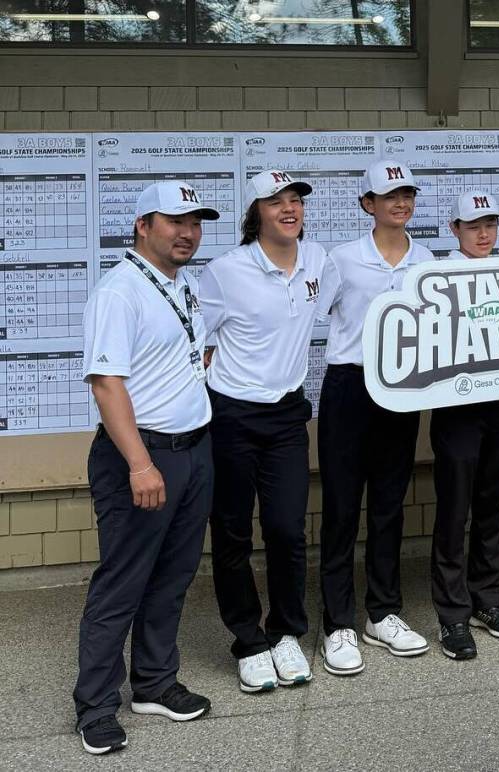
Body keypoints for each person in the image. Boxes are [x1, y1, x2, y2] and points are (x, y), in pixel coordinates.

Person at [74, 181, 220, 755]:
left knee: (173, 577)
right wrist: (139, 464)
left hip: (193, 450)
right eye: (175, 221)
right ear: (143, 225)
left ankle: (155, 683)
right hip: (142, 455)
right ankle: (95, 708)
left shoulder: (182, 286)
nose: (188, 233)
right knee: (123, 583)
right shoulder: (120, 290)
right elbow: (107, 384)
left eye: (196, 223)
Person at [200, 170, 324, 693]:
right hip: (232, 416)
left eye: (295, 200)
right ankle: (248, 640)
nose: (289, 209)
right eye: (275, 202)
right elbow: (197, 340)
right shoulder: (225, 271)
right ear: (255, 215)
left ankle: (285, 632)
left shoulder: (318, 260)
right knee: (232, 532)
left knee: (287, 530)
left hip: (287, 416)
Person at [316, 160, 434, 674]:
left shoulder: (425, 259)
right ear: (368, 204)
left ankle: (382, 613)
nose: (400, 202)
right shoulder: (341, 258)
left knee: (389, 505)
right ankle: (337, 622)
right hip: (349, 386)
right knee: (342, 507)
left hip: (400, 388)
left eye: (407, 194)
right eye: (389, 195)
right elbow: (312, 315)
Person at [429, 190, 499, 660]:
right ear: (455, 230)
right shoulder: (436, 275)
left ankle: (487, 599)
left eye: (490, 225)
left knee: (491, 505)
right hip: (456, 407)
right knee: (454, 510)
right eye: (473, 226)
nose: (484, 234)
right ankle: (452, 614)